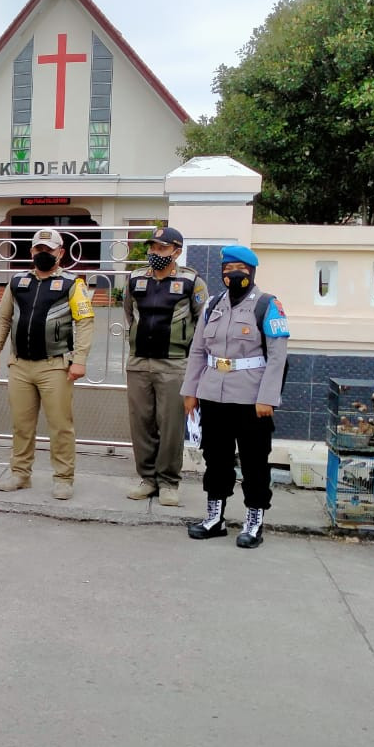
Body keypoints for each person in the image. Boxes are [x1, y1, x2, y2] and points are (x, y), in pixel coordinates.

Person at [181, 245, 288, 548]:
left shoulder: (268, 305)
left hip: (252, 398)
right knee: (215, 457)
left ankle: (254, 521)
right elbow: (198, 351)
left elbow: (278, 356)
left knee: (254, 461)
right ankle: (215, 517)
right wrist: (190, 391)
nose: (233, 274)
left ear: (252, 271)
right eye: (227, 269)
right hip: (213, 394)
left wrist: (267, 398)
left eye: (239, 268)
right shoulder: (213, 304)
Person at [0, 226, 96, 500]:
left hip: (55, 366)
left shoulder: (73, 284)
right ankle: (20, 474)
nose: (43, 253)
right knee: (21, 425)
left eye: (49, 249)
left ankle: (63, 478)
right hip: (20, 365)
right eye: (38, 249)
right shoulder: (17, 282)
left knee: (60, 425)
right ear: (31, 251)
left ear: (60, 252)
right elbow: (2, 319)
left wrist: (79, 360)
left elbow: (85, 322)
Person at [122, 226, 209, 506]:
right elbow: (129, 314)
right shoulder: (135, 279)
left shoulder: (190, 281)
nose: (154, 253)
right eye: (152, 248)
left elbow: (202, 322)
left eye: (161, 248)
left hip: (173, 364)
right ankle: (147, 479)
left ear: (176, 252)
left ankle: (169, 482)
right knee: (141, 423)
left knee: (170, 425)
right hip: (139, 363)